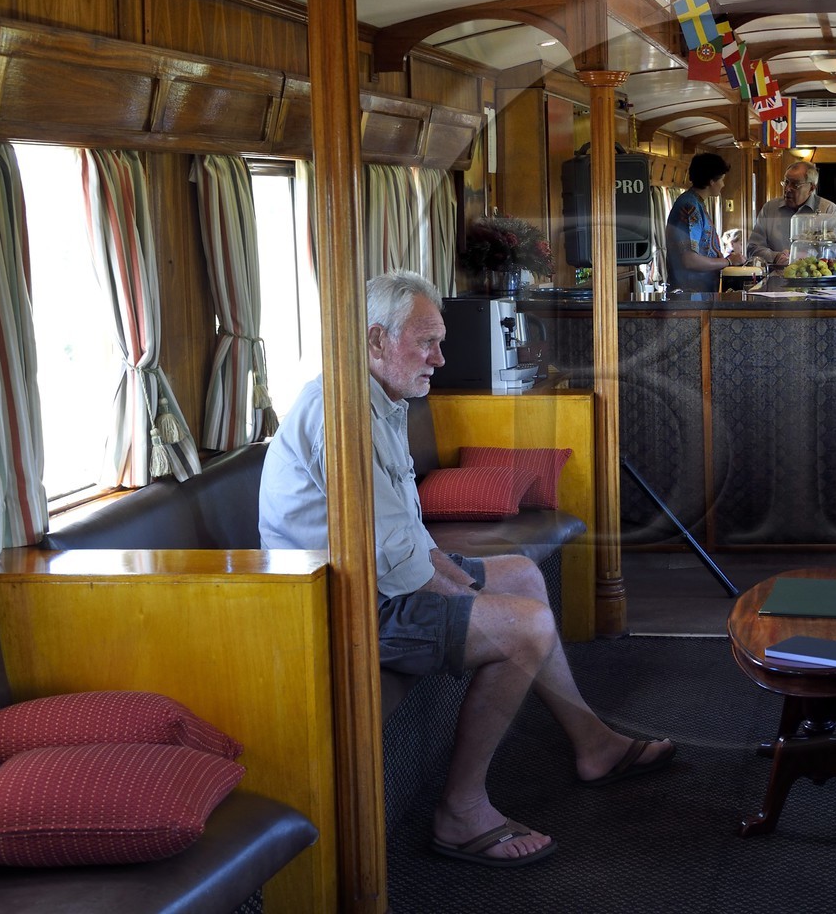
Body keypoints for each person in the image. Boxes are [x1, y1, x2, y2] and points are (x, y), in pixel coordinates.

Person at [259, 271, 675, 868]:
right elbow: (387, 563)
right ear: (376, 341)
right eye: (427, 342)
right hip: (338, 602)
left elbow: (405, 531)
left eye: (441, 341)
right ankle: (461, 811)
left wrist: (461, 581)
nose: (441, 358)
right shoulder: (341, 415)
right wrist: (461, 596)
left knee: (523, 578)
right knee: (525, 626)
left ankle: (593, 743)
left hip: (377, 578)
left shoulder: (384, 396)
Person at [665, 152, 743, 291]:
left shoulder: (696, 203)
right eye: (722, 179)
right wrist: (728, 261)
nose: (723, 184)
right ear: (712, 181)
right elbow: (690, 260)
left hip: (701, 291)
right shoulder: (690, 207)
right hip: (691, 293)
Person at [746, 160, 836, 266]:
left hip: (815, 277)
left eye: (795, 185)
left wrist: (805, 257)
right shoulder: (769, 209)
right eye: (786, 182)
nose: (787, 189)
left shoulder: (828, 210)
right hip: (776, 277)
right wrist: (776, 257)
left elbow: (834, 251)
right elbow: (752, 248)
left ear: (811, 188)